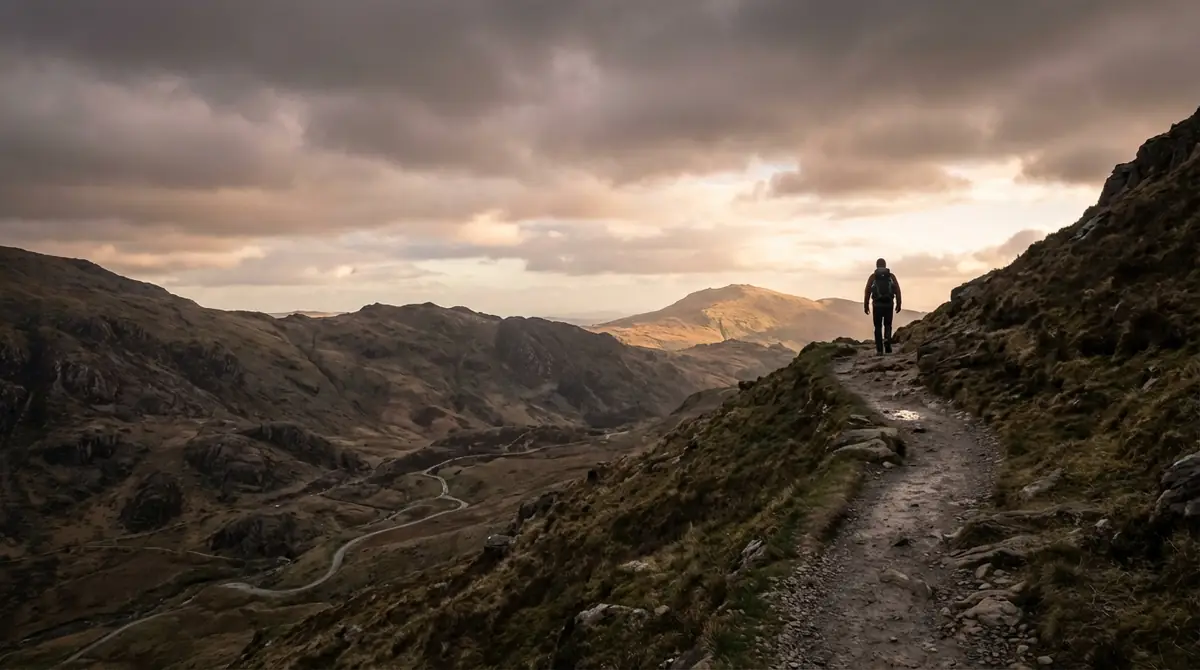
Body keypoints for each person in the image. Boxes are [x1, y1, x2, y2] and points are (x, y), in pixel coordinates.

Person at [863, 258, 902, 355]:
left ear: (877, 266)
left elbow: (867, 290)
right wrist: (898, 303)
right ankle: (887, 344)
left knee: (878, 326)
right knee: (888, 325)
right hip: (889, 304)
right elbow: (897, 290)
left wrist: (866, 305)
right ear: (885, 265)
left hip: (877, 305)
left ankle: (880, 350)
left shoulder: (873, 277)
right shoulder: (891, 276)